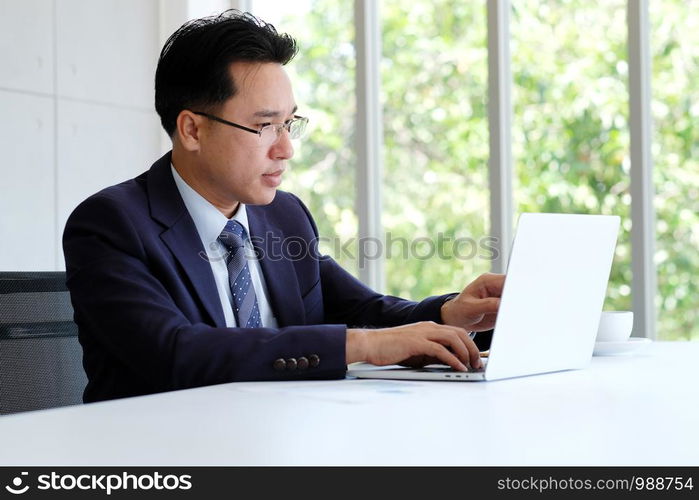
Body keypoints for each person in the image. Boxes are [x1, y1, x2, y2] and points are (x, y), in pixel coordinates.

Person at [63, 10, 504, 403]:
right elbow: (177, 352)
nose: (287, 149)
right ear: (192, 130)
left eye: (289, 123)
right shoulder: (111, 224)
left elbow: (364, 310)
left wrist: (448, 313)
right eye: (265, 126)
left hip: (280, 435)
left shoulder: (284, 215)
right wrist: (364, 346)